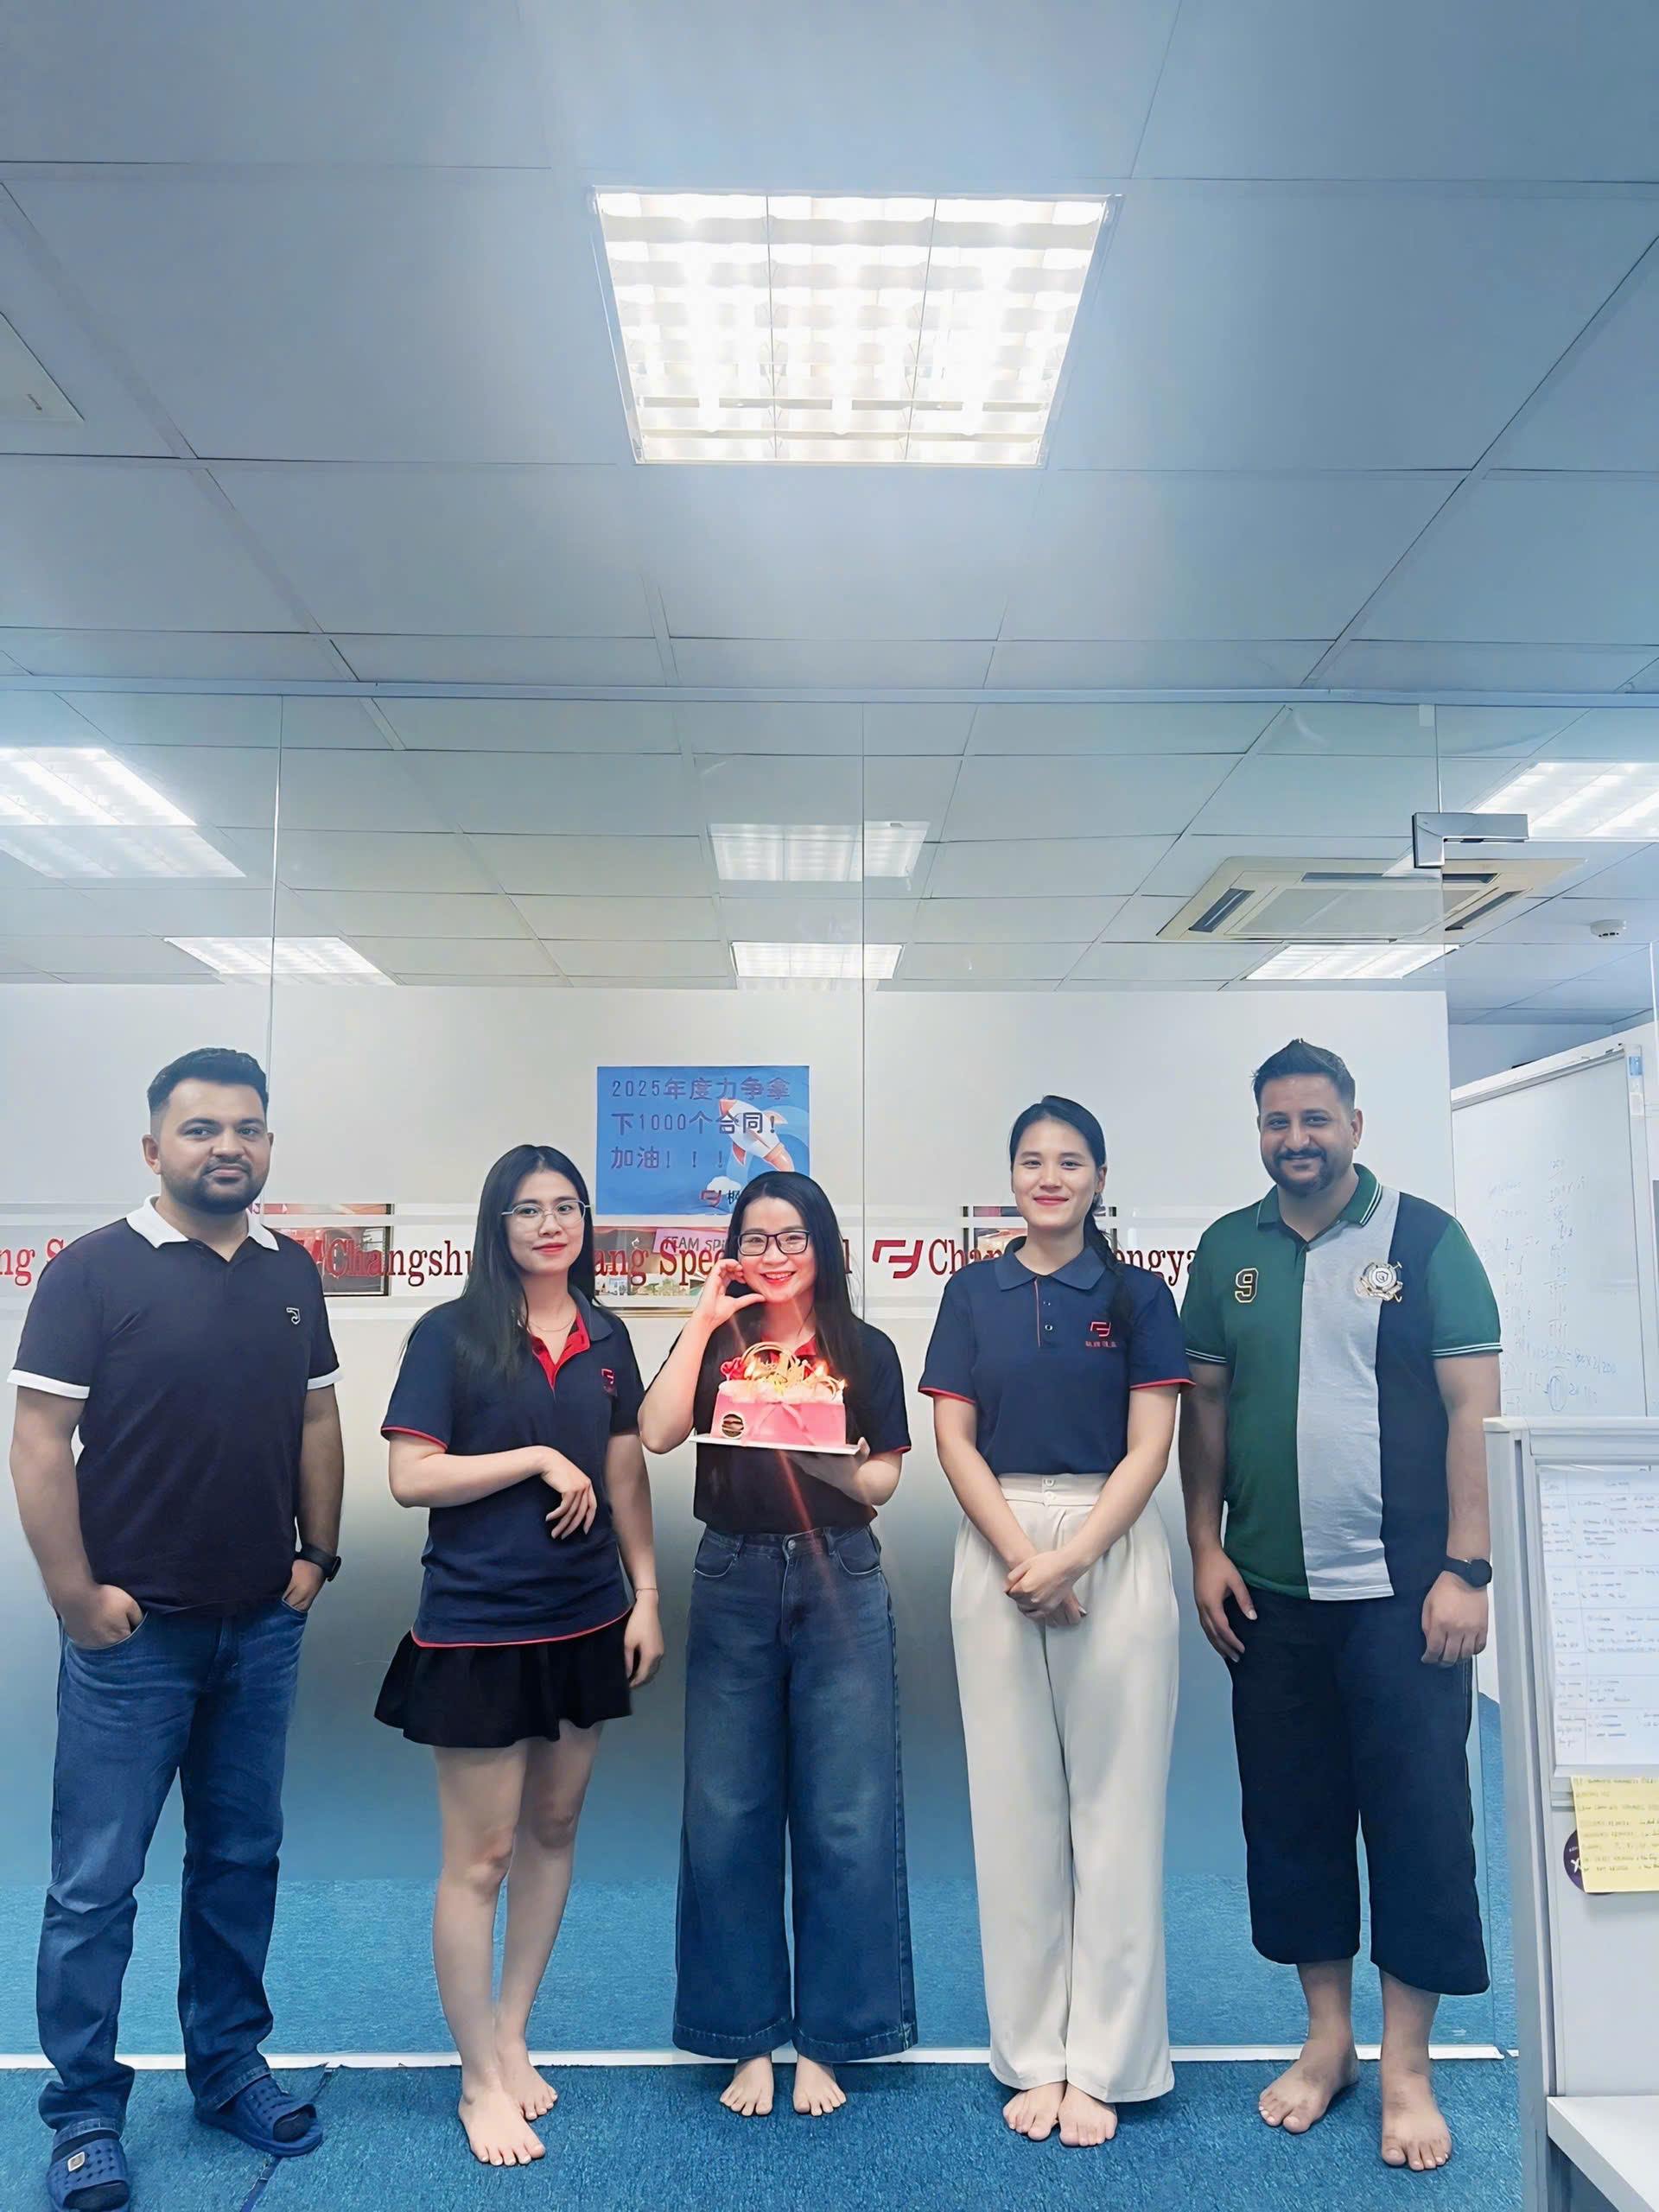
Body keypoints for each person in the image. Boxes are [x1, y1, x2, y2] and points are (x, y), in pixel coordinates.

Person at [7, 1046, 343, 2212]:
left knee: (240, 1860)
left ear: (268, 1144)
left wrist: (316, 1556)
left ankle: (228, 2065)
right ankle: (83, 2111)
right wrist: (74, 1595)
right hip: (131, 1637)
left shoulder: (293, 1272)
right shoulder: (91, 1271)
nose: (226, 1147)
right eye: (201, 1130)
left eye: (246, 1128)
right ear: (155, 1148)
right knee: (95, 1884)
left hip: (260, 1629)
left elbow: (317, 1420)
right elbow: (38, 1443)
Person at [1179, 1039, 1501, 2175]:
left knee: (1419, 1824)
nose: (1297, 1140)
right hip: (1270, 1598)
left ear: (1354, 1125)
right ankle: (1329, 2041)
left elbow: (1473, 1411)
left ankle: (1407, 2065)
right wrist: (1204, 1546)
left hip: (1406, 1599)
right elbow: (1205, 1412)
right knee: (1295, 1821)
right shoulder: (1228, 1250)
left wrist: (1468, 1568)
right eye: (1278, 1122)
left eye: (1316, 1119)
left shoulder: (1427, 1242)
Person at [374, 1145, 662, 2170]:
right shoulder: (448, 1332)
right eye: (529, 1209)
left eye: (567, 1206)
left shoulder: (607, 1334)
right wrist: (539, 1458)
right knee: (481, 1857)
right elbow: (411, 1475)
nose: (551, 1224)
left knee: (553, 1827)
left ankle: (509, 2033)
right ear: (497, 1224)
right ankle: (476, 2080)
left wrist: (646, 1593)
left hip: (585, 1618)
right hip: (478, 1627)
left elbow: (624, 1472)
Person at [921, 1096, 1189, 2148]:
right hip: (996, 1540)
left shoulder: (1137, 1293)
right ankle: (1033, 2054)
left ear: (1099, 1178)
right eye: (1031, 1160)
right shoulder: (970, 1291)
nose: (1049, 1177)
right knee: (1014, 1808)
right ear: (1010, 1177)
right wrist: (1022, 1559)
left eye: (1071, 1161)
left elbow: (1151, 1444)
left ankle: (1110, 2061)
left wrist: (1074, 1557)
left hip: (1110, 1537)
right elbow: (953, 1439)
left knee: (1117, 1812)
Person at [639, 1171, 915, 2119]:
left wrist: (823, 1460)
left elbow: (885, 1475)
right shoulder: (719, 1341)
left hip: (841, 1571)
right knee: (727, 1811)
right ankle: (745, 2036)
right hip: (734, 1573)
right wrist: (704, 1318)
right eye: (754, 1239)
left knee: (847, 1812)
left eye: (792, 1237)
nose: (774, 1255)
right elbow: (657, 1432)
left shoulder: (863, 1348)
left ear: (823, 1246)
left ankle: (835, 2037)